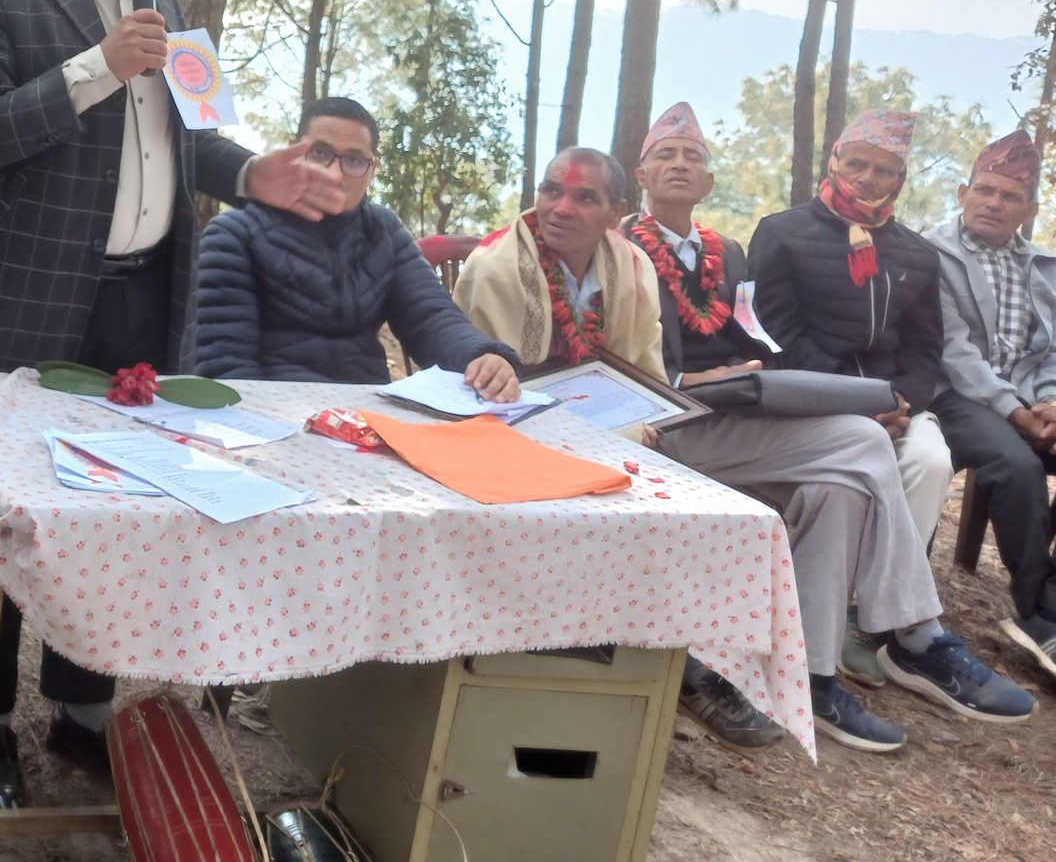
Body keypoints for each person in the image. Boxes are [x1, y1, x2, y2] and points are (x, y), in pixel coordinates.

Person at [0, 0, 348, 807]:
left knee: (119, 507)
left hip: (143, 302)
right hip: (20, 304)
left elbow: (188, 133)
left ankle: (81, 712)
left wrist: (252, 175)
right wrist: (96, 67)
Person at [615, 104, 1033, 749]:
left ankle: (809, 676)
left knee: (840, 487)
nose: (679, 165)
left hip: (755, 408)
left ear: (710, 181)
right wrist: (691, 379)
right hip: (664, 419)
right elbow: (633, 350)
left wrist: (883, 396)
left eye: (693, 156)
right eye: (665, 156)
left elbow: (758, 335)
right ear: (639, 174)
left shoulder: (727, 251)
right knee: (863, 442)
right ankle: (915, 635)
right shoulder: (623, 249)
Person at [748, 107, 953, 692]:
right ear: (834, 160)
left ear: (900, 180)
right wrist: (856, 402)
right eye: (857, 163)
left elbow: (925, 349)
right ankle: (833, 617)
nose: (867, 178)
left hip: (895, 404)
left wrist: (901, 401)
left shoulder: (917, 254)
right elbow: (773, 334)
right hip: (810, 398)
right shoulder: (783, 232)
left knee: (931, 460)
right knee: (862, 453)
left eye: (884, 170)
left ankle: (869, 621)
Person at [194, 95, 521, 397]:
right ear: (293, 150)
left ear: (372, 169)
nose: (335, 173)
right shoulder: (234, 234)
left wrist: (481, 356)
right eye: (320, 153)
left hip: (370, 411)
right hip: (274, 413)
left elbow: (429, 315)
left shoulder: (384, 231)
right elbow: (225, 367)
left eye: (353, 160)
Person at [926, 130, 1056, 677]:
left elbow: (1050, 349)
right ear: (963, 193)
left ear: (1029, 210)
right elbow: (953, 351)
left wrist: (1048, 401)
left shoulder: (1044, 265)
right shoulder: (931, 254)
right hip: (956, 396)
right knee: (1016, 465)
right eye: (985, 190)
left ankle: (1049, 595)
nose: (994, 203)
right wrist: (1015, 411)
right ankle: (1040, 613)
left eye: (1010, 196)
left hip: (1029, 399)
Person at [454, 146, 667, 378]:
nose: (562, 209)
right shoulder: (491, 269)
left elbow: (647, 369)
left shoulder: (635, 268)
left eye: (585, 198)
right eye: (552, 191)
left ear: (615, 213)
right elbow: (471, 377)